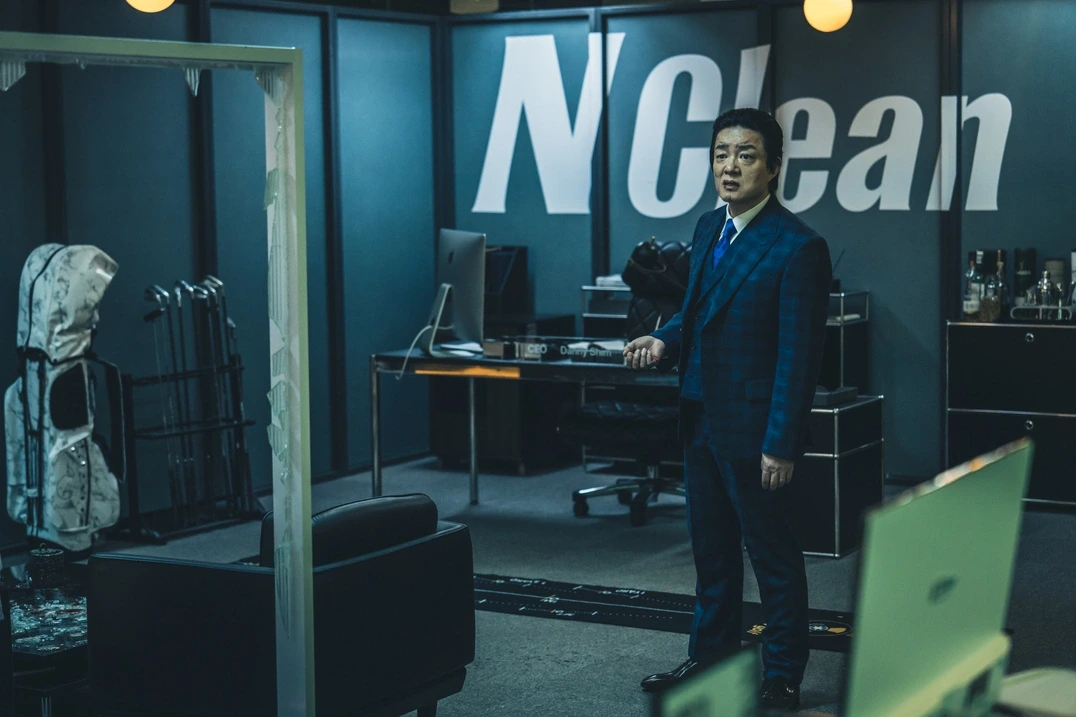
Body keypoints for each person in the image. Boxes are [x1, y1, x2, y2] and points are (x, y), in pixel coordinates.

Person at [624, 107, 831, 711]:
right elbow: (697, 310)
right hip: (699, 416)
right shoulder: (709, 226)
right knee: (711, 552)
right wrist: (664, 338)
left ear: (774, 166)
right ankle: (711, 657)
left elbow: (799, 358)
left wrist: (781, 443)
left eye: (745, 155)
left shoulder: (798, 246)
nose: (730, 167)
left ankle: (782, 673)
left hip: (755, 429)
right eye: (721, 154)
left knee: (772, 555)